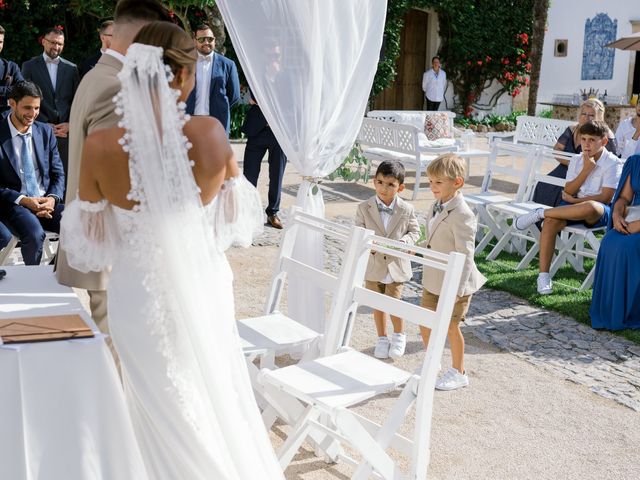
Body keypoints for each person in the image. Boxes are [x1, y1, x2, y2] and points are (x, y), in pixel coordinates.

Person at [60, 22, 283, 479]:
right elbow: (235, 224)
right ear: (184, 76)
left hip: (137, 299)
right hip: (203, 288)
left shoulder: (102, 146)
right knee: (210, 392)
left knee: (154, 403)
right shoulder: (212, 134)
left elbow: (88, 244)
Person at [56, 0, 171, 341]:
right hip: (111, 238)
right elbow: (115, 176)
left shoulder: (97, 75)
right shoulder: (115, 85)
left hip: (98, 233)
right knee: (117, 339)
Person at [516, 121, 623, 295]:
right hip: (572, 206)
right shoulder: (577, 159)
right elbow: (568, 190)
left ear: (603, 142)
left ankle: (540, 213)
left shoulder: (613, 163)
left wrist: (573, 201)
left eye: (592, 140)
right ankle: (543, 276)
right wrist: (586, 170)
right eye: (584, 139)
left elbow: (606, 197)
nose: (586, 144)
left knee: (590, 207)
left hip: (599, 211)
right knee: (550, 222)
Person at [418, 154, 486, 390]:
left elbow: (466, 254)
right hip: (433, 277)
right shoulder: (435, 205)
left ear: (456, 183)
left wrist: (457, 289)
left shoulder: (463, 214)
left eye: (438, 182)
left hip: (456, 282)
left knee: (450, 326)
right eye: (430, 182)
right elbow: (432, 239)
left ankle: (459, 372)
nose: (432, 187)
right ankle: (432, 361)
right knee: (424, 321)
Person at [354, 161, 420, 359]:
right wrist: (368, 242)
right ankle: (382, 338)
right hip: (373, 265)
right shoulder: (364, 207)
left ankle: (399, 335)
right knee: (377, 304)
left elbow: (415, 231)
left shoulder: (406, 209)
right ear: (374, 182)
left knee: (395, 302)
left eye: (390, 184)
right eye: (380, 182)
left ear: (400, 187)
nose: (384, 188)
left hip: (396, 265)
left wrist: (405, 242)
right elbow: (358, 231)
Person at [0, 81, 64, 265]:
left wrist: (52, 198)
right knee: (35, 234)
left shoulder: (45, 132)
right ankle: (31, 285)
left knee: (76, 224)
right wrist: (24, 200)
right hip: (14, 203)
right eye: (27, 108)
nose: (33, 114)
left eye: (36, 108)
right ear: (12, 103)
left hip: (46, 201)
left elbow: (58, 173)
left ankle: (54, 272)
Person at [533, 99, 618, 207]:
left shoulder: (605, 134)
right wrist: (572, 163)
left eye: (591, 115)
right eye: (583, 114)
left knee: (563, 190)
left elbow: (610, 158)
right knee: (544, 184)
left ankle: (551, 214)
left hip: (590, 172)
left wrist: (583, 166)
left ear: (599, 117)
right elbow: (557, 149)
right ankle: (538, 215)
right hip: (566, 167)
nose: (586, 118)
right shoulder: (572, 129)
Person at [22, 27, 79, 182]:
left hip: (65, 133)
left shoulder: (72, 68)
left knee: (66, 177)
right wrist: (43, 124)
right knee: (41, 176)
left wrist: (70, 124)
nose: (56, 47)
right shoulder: (29, 66)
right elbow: (25, 100)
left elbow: (76, 101)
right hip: (39, 130)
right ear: (43, 42)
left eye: (60, 44)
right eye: (53, 42)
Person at [590, 154, 640, 330]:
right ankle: (610, 308)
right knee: (610, 240)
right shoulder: (635, 161)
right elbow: (624, 198)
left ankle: (632, 311)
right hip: (633, 218)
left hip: (638, 223)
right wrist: (617, 214)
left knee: (629, 246)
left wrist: (638, 225)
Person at [242, 88, 287, 229]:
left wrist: (261, 102)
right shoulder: (258, 72)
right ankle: (247, 213)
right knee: (249, 174)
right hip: (256, 130)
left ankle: (272, 213)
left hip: (280, 132)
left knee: (276, 175)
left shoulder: (289, 77)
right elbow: (254, 97)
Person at [185, 23, 240, 136]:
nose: (206, 42)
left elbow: (234, 96)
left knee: (216, 154)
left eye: (210, 39)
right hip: (190, 121)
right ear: (195, 41)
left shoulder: (228, 65)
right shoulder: (185, 63)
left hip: (217, 122)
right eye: (201, 39)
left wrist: (219, 107)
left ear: (214, 40)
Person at [0, 24, 24, 114]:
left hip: (5, 122)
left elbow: (21, 89)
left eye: (0, 42)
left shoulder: (11, 67)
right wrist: (6, 97)